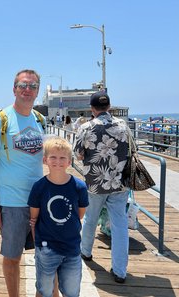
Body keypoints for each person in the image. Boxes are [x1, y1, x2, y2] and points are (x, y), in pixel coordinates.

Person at [0, 69, 46, 296]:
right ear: (14, 89)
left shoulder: (40, 119)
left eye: (33, 86)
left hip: (40, 201)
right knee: (12, 258)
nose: (27, 90)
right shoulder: (0, 121)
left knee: (46, 257)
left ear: (38, 90)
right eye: (23, 86)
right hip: (11, 203)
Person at [74, 91, 131, 284]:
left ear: (92, 109)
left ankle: (86, 252)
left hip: (95, 184)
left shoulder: (87, 127)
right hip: (120, 184)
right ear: (109, 107)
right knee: (120, 225)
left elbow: (78, 154)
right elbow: (133, 150)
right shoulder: (123, 126)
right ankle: (120, 271)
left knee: (90, 218)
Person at [28, 137, 89, 297]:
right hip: (47, 248)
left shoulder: (79, 187)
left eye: (63, 158)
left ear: (69, 161)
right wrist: (39, 244)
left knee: (71, 291)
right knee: (44, 290)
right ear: (45, 160)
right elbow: (34, 218)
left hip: (72, 248)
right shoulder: (39, 187)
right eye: (53, 157)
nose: (58, 161)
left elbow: (79, 214)